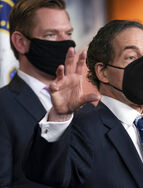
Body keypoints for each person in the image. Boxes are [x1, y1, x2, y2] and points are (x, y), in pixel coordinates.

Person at [23, 20, 143, 188]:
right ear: (102, 72)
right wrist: (59, 116)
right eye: (131, 57)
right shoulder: (81, 130)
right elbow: (46, 175)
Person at [0, 0, 96, 187]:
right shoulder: (3, 106)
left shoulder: (87, 110)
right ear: (20, 42)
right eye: (51, 34)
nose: (66, 43)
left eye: (68, 33)